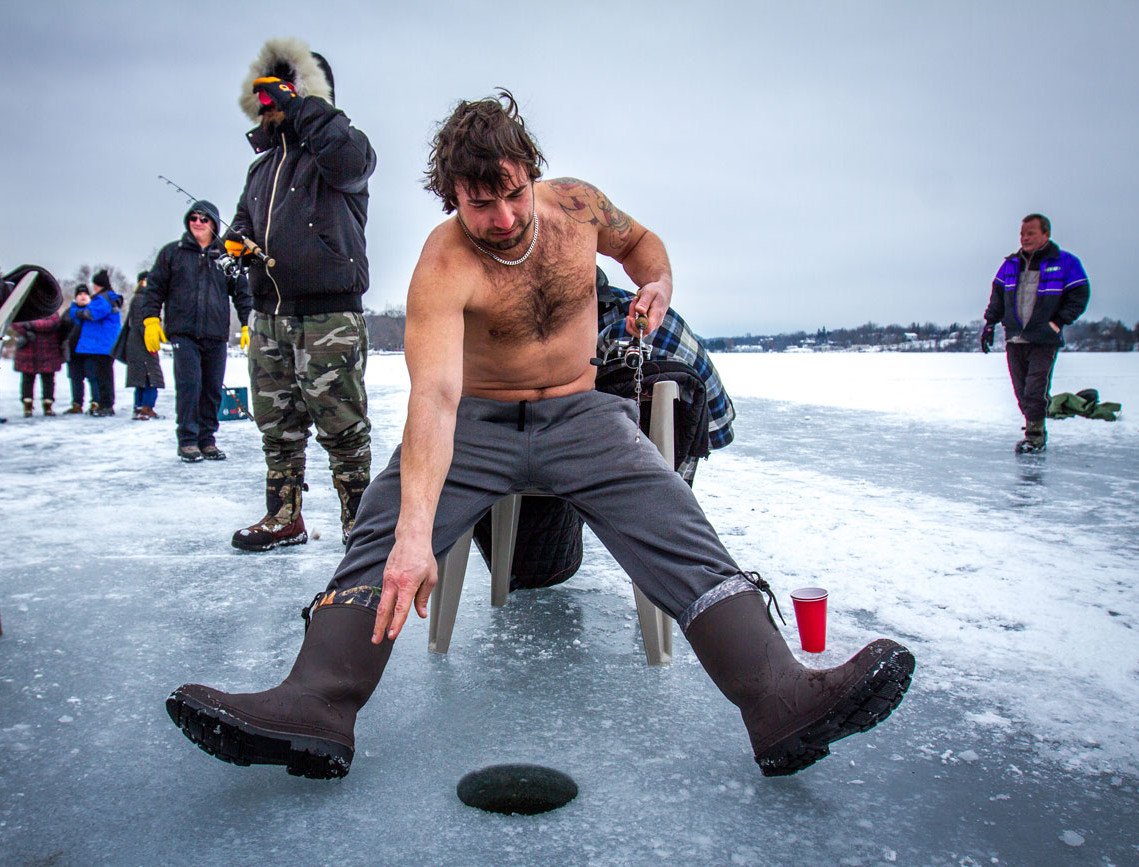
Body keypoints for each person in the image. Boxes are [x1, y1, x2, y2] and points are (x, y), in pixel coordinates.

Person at [168, 90, 915, 781]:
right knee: (385, 528)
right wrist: (412, 537)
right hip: (477, 423)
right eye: (478, 203)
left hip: (581, 414)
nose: (502, 217)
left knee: (675, 519)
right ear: (451, 197)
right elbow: (432, 397)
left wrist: (658, 284)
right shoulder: (443, 261)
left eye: (513, 192)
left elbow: (643, 244)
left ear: (534, 174)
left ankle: (780, 699)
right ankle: (316, 705)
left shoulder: (581, 208)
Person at [225, 38, 374, 547]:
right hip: (268, 315)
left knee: (343, 427)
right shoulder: (261, 168)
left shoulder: (338, 154)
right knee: (277, 425)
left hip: (327, 316)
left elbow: (352, 158)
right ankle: (284, 517)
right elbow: (245, 219)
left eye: (283, 91)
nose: (272, 103)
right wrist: (237, 243)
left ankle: (360, 526)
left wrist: (303, 105)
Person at [142, 202, 252, 460]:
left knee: (212, 389)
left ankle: (208, 439)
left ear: (213, 222)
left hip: (216, 333)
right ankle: (188, 440)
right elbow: (154, 289)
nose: (198, 222)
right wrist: (150, 319)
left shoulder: (225, 255)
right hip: (184, 333)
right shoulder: (173, 253)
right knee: (190, 386)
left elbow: (242, 293)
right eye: (193, 217)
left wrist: (248, 323)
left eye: (204, 218)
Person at [981, 214, 1090, 454]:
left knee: (1034, 389)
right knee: (1022, 392)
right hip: (1015, 338)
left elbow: (1080, 295)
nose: (1025, 238)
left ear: (1046, 234)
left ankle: (1035, 437)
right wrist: (990, 324)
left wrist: (1058, 322)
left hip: (1044, 339)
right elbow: (997, 298)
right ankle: (1038, 421)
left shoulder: (1065, 263)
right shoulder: (1010, 265)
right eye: (1022, 234)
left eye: (1031, 233)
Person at [69, 269, 121, 417]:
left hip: (101, 344)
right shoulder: (110, 297)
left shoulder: (102, 299)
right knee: (104, 375)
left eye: (95, 285)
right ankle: (105, 404)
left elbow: (91, 314)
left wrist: (75, 311)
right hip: (105, 343)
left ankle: (106, 405)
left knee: (103, 376)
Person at [120, 271, 166, 421]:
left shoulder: (137, 298)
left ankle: (139, 407)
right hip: (144, 345)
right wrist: (152, 340)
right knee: (150, 379)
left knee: (141, 379)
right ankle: (146, 408)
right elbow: (141, 324)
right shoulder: (143, 299)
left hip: (136, 345)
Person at [12, 310, 63, 416]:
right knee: (27, 379)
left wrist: (30, 324)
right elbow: (16, 323)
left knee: (48, 379)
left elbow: (53, 324)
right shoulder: (26, 308)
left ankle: (48, 404)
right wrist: (26, 331)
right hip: (29, 351)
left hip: (48, 350)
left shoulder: (50, 309)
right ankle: (27, 405)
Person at [63, 284, 95, 413]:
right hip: (74, 352)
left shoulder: (93, 312)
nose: (82, 297)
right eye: (80, 294)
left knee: (93, 378)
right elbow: (62, 329)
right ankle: (77, 404)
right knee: (76, 379)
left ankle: (95, 402)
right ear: (75, 297)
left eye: (85, 294)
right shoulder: (69, 313)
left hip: (90, 352)